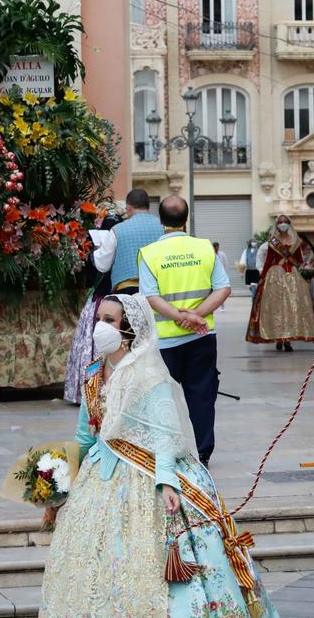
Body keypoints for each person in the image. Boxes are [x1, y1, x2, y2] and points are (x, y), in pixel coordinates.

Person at [40, 294, 278, 617]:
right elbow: (84, 438)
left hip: (148, 476)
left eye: (109, 321)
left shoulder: (147, 374)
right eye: (99, 319)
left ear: (128, 328)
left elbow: (165, 432)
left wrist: (167, 481)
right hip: (99, 479)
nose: (99, 327)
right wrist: (58, 488)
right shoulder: (94, 373)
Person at [138, 196, 231, 466]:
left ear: (161, 221)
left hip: (165, 342)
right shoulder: (204, 248)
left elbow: (150, 297)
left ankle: (168, 449)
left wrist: (179, 317)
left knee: (162, 397)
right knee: (202, 395)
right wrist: (196, 316)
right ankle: (202, 450)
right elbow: (223, 288)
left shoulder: (149, 253)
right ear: (186, 219)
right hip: (201, 337)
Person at [63, 211, 120, 404]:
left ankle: (93, 390)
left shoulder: (95, 250)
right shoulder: (112, 248)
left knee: (93, 348)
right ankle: (99, 389)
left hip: (99, 302)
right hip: (111, 301)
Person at [246, 215, 314, 351]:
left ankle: (287, 340)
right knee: (276, 309)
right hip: (274, 279)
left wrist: (305, 273)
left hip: (294, 279)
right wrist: (264, 275)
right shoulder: (271, 242)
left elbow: (300, 261)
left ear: (289, 224)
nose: (283, 224)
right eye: (280, 222)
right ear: (276, 224)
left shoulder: (296, 241)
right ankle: (278, 338)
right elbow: (263, 260)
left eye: (286, 222)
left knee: (292, 309)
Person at [92, 189, 164, 294]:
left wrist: (98, 248)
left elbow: (103, 265)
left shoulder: (117, 230)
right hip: (158, 289)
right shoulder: (163, 227)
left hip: (127, 291)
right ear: (148, 207)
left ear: (129, 208)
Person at [213, 243, 230, 312]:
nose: (217, 248)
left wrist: (225, 274)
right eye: (215, 247)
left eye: (218, 247)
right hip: (213, 274)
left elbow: (226, 263)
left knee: (221, 290)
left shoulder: (222, 254)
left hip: (221, 275)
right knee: (214, 292)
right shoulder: (211, 254)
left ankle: (222, 305)